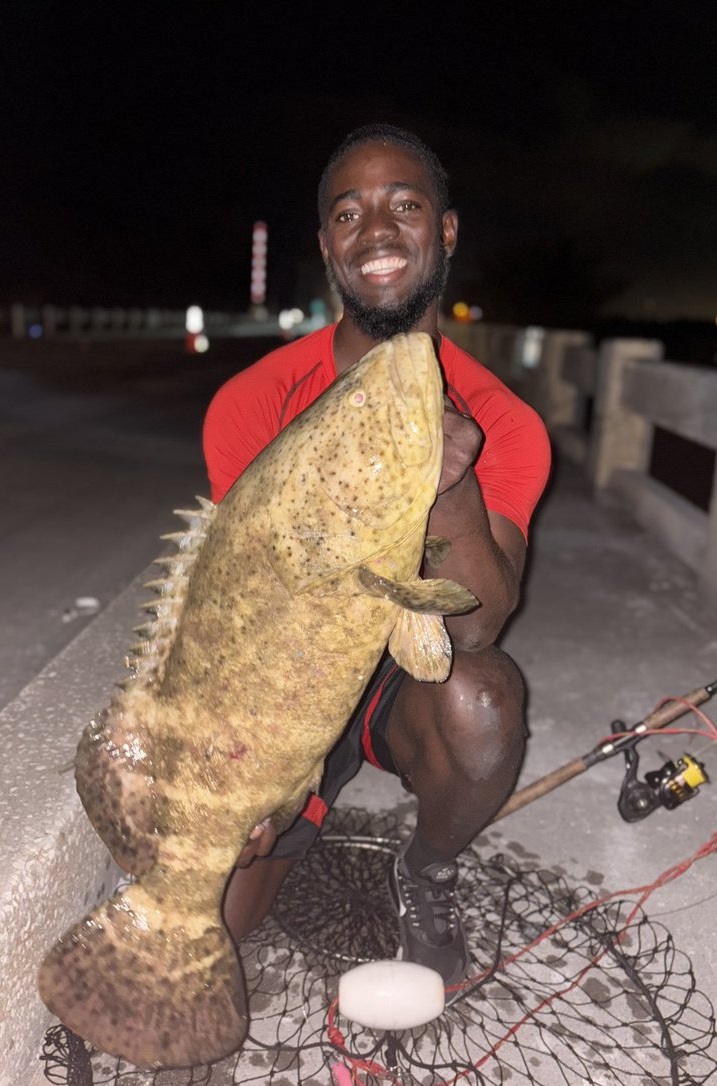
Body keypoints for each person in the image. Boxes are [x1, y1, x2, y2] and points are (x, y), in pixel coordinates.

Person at [202, 124, 551, 985]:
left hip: (407, 672)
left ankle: (426, 866)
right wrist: (245, 770)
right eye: (349, 213)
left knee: (485, 704)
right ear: (328, 245)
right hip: (297, 677)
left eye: (406, 205)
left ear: (446, 230)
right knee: (213, 934)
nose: (378, 230)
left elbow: (476, 626)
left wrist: (449, 482)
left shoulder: (505, 422)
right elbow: (234, 613)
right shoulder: (253, 400)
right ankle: (309, 798)